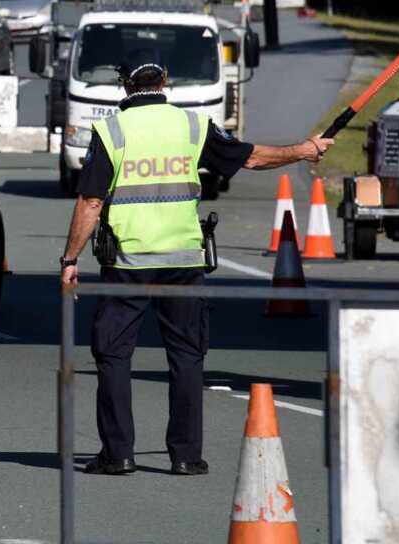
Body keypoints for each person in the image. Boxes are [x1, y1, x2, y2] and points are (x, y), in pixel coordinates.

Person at [60, 48, 333, 477]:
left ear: (124, 84)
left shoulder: (111, 131)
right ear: (164, 80)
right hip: (185, 258)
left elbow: (91, 201)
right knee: (186, 355)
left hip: (128, 263)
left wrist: (70, 258)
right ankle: (186, 456)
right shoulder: (191, 125)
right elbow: (252, 157)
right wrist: (303, 149)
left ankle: (118, 454)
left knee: (112, 354)